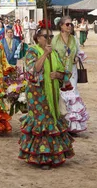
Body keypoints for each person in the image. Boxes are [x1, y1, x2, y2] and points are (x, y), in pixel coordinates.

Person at [19, 26, 75, 168]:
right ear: (38, 38)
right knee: (42, 123)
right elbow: (34, 70)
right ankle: (42, 156)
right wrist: (44, 54)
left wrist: (57, 75)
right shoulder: (32, 51)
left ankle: (54, 154)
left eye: (51, 36)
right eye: (46, 36)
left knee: (52, 119)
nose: (49, 39)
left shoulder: (55, 53)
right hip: (37, 95)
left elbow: (65, 72)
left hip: (53, 92)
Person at [52, 16, 89, 134]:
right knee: (60, 95)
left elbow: (79, 52)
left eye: (71, 24)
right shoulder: (55, 40)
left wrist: (77, 58)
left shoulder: (74, 39)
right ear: (61, 26)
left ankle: (72, 126)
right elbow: (51, 54)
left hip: (71, 71)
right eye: (67, 24)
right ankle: (61, 122)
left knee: (72, 94)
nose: (70, 26)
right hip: (59, 72)